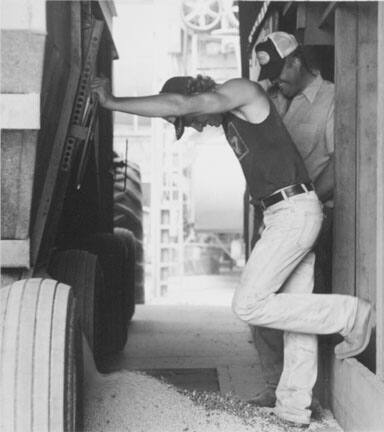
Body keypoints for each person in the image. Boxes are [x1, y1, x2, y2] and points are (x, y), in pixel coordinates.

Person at [91, 67, 373, 427]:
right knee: (296, 314)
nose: (194, 127)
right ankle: (293, 408)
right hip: (281, 213)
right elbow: (188, 107)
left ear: (195, 97)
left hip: (294, 211)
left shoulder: (242, 92)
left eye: (188, 120)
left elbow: (181, 102)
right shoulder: (227, 120)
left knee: (248, 304)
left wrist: (113, 102)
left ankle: (352, 315)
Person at [249, 31, 335, 410]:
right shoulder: (274, 102)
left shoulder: (331, 100)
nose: (275, 80)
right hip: (275, 215)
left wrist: (308, 199)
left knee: (298, 302)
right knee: (260, 298)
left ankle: (303, 393)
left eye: (280, 71)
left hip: (310, 213)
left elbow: (341, 164)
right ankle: (276, 384)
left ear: (297, 62)